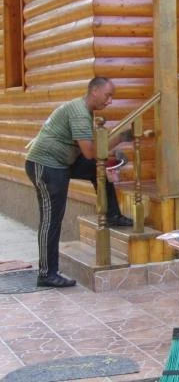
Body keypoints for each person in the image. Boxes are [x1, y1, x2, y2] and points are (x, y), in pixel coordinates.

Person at [25, 77, 133, 288]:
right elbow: (90, 152)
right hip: (46, 165)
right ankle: (47, 274)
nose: (110, 101)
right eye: (108, 95)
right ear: (94, 91)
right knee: (51, 219)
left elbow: (91, 152)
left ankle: (112, 214)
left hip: (62, 162)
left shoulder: (83, 110)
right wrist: (120, 138)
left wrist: (110, 155)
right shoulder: (79, 113)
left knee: (98, 168)